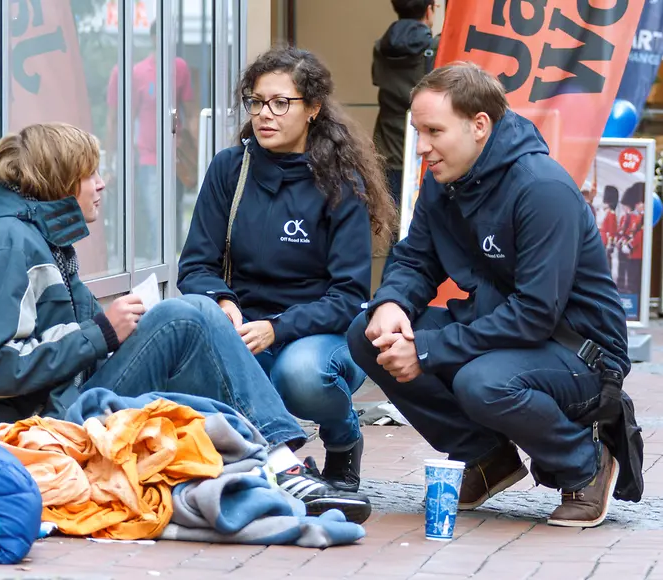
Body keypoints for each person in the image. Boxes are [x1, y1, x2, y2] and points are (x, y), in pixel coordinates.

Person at [0, 122, 372, 523]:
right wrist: (102, 332)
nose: (101, 183)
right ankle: (279, 466)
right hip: (43, 422)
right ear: (58, 181)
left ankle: (269, 465)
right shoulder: (4, 245)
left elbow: (49, 341)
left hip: (65, 400)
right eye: (90, 173)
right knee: (189, 314)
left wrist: (112, 332)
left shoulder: (39, 239)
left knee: (189, 325)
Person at [347, 63, 633, 528]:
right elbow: (415, 258)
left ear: (479, 125)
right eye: (419, 132)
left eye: (434, 131)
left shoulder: (541, 188)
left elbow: (536, 314)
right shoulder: (446, 177)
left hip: (579, 351)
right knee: (368, 335)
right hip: (502, 326)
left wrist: (428, 347)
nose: (422, 148)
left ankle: (585, 463)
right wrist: (391, 304)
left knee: (482, 383)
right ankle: (486, 460)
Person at [177, 46, 396, 494]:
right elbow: (195, 265)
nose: (265, 114)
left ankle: (343, 440)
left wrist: (277, 328)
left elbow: (349, 296)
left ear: (313, 108)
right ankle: (267, 465)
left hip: (321, 334)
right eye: (256, 102)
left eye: (281, 103)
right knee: (209, 372)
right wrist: (224, 300)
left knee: (297, 375)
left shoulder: (340, 181)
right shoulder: (230, 169)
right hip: (246, 326)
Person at [106, 22, 198, 262]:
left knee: (173, 213)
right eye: (161, 36)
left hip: (175, 157)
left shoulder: (179, 68)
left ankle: (173, 267)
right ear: (154, 38)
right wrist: (115, 159)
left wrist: (197, 151)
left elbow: (190, 111)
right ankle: (160, 268)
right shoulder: (138, 72)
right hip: (148, 157)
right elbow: (122, 118)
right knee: (157, 216)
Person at [372, 0, 439, 268]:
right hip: (422, 151)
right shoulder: (434, 48)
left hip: (386, 148)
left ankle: (387, 297)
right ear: (430, 9)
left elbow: (379, 80)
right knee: (418, 234)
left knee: (394, 232)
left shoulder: (381, 46)